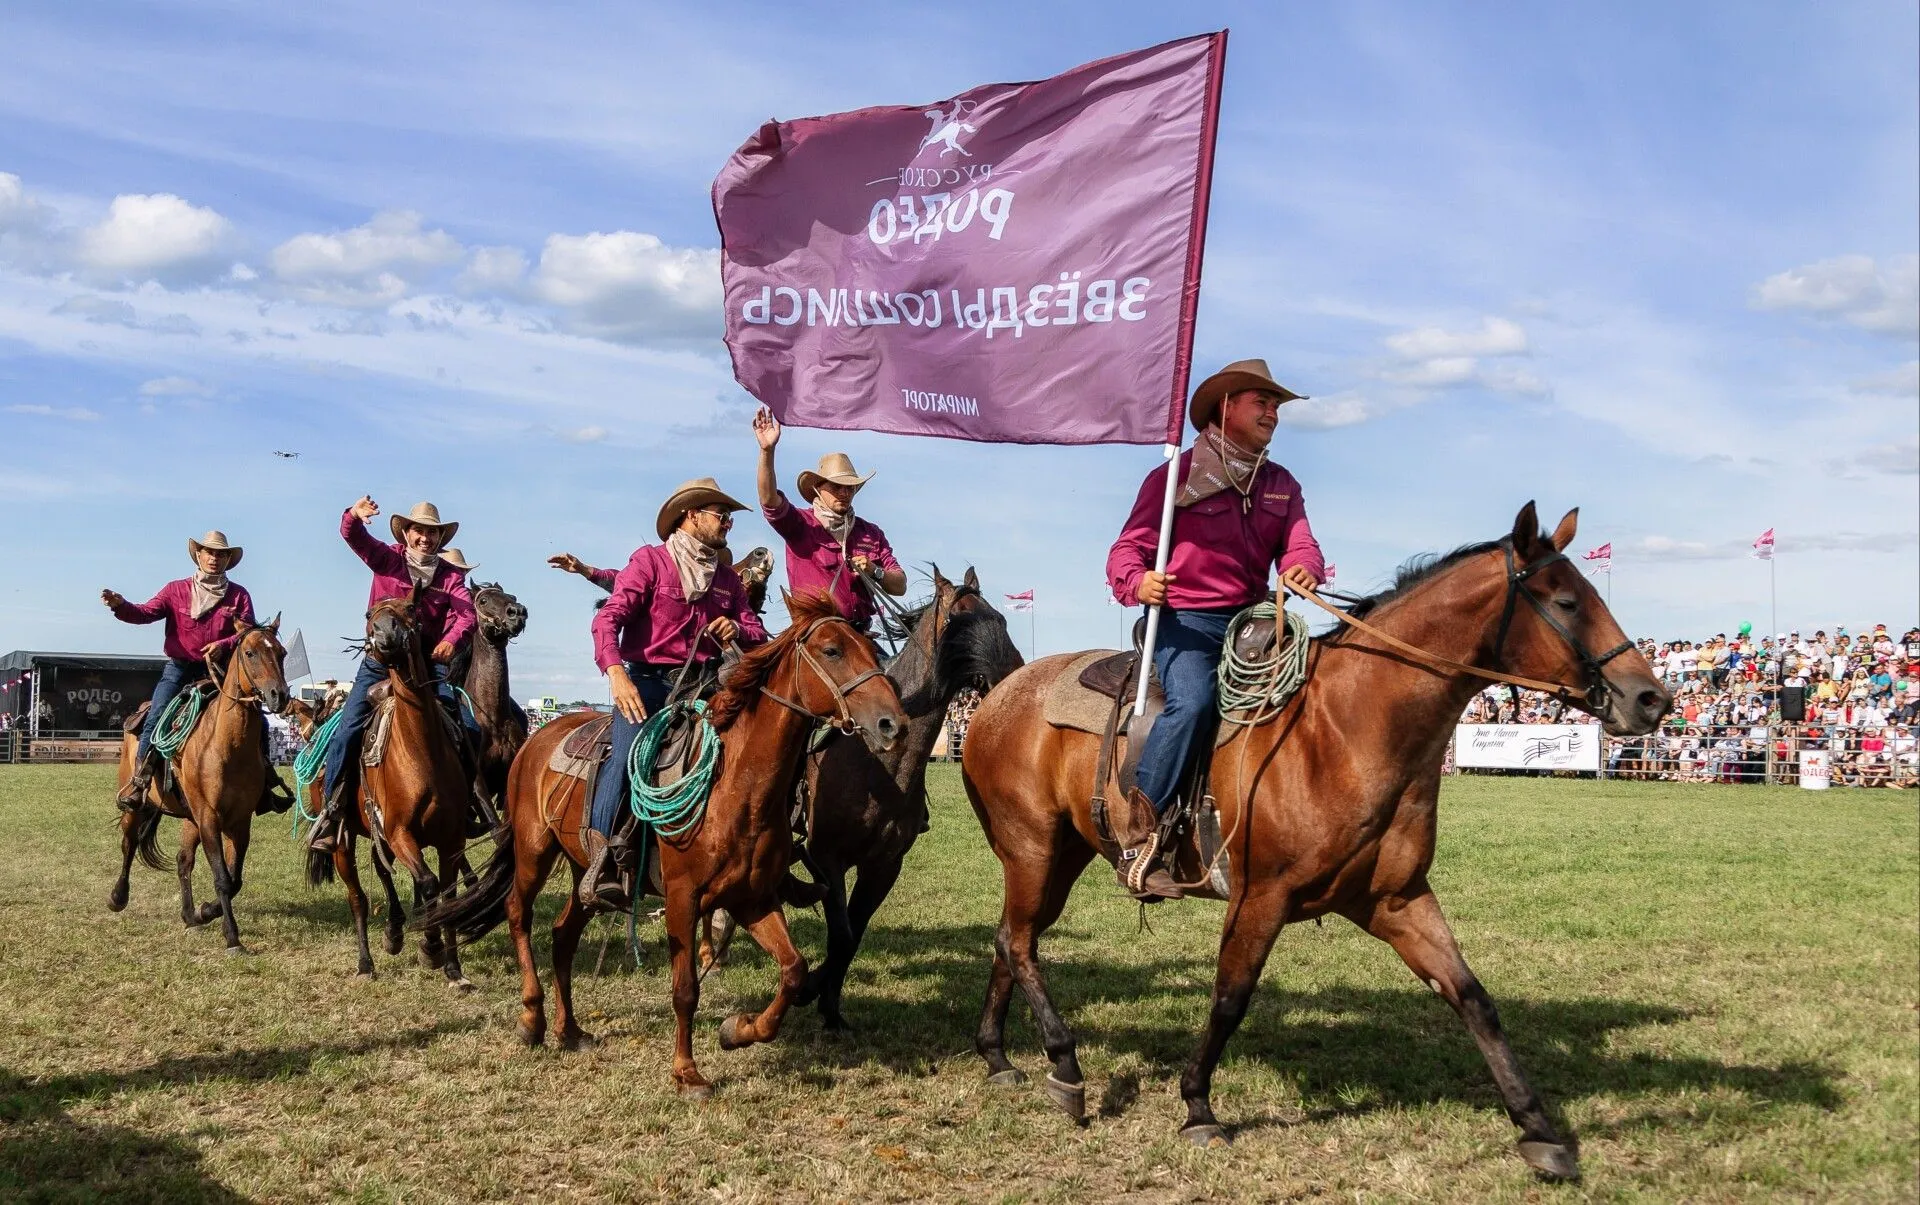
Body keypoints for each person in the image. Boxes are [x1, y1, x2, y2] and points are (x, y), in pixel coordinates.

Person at [1106, 359, 1324, 900]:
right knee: (1194, 703)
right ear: (1227, 407)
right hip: (1184, 621)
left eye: (1276, 405)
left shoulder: (1280, 483)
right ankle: (1140, 839)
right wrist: (1137, 582)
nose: (1273, 413)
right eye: (1262, 402)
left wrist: (1303, 567)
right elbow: (1127, 548)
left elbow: (1300, 542)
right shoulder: (1173, 478)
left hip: (1253, 622)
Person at [579, 478, 770, 910]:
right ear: (692, 515)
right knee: (628, 758)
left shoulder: (727, 579)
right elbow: (608, 619)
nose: (727, 523)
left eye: (729, 517)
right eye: (721, 515)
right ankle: (602, 863)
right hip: (648, 684)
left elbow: (756, 630)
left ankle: (759, 852)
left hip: (706, 684)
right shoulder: (649, 562)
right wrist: (616, 673)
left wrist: (737, 628)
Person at [307, 499, 477, 854]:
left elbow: (466, 615)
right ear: (406, 533)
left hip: (426, 666)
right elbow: (354, 537)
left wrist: (450, 640)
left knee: (470, 729)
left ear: (440, 538)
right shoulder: (387, 558)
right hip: (378, 664)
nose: (425, 538)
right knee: (347, 731)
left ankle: (467, 804)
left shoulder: (450, 576)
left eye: (432, 533)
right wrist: (353, 515)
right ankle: (332, 813)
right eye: (419, 531)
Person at [103, 530, 293, 812]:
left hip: (220, 671)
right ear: (199, 555)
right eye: (210, 553)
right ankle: (140, 781)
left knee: (258, 721)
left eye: (221, 554)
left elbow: (248, 634)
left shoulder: (239, 595)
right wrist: (121, 606)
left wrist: (222, 644)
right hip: (179, 669)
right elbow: (145, 613)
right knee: (156, 714)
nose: (215, 558)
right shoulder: (175, 590)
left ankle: (265, 784)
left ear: (228, 560)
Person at [750, 407, 905, 633]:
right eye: (836, 486)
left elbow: (900, 585)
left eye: (849, 487)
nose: (844, 493)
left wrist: (875, 570)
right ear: (817, 488)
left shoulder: (870, 533)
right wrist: (767, 451)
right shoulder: (800, 524)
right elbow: (768, 499)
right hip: (815, 637)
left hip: (860, 635)